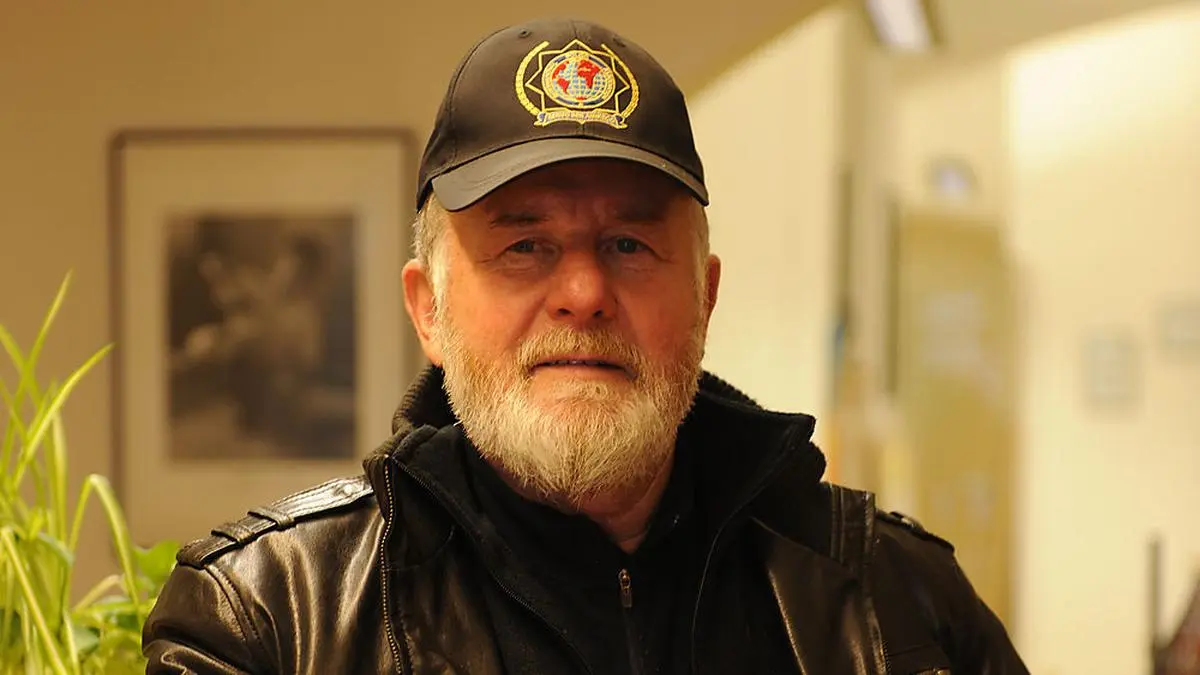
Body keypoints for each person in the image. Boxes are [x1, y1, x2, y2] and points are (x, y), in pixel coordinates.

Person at [143, 17, 1029, 674]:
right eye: (525, 244)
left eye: (629, 244)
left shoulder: (898, 608)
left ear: (704, 298)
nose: (583, 293)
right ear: (429, 311)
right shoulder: (270, 620)